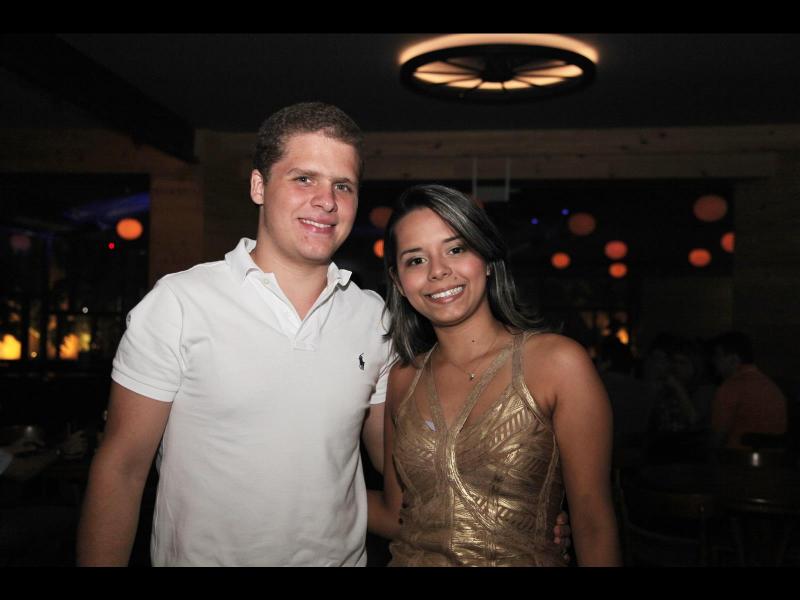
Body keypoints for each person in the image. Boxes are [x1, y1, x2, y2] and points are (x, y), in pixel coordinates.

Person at [76, 103, 569, 567]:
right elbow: (121, 469)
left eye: (343, 185)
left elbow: (411, 468)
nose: (326, 201)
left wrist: (515, 511)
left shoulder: (373, 318)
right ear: (258, 186)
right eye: (304, 178)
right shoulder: (180, 302)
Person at [367, 184, 620, 566]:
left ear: (486, 258)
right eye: (416, 260)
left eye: (456, 249)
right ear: (399, 283)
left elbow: (593, 523)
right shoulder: (403, 377)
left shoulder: (557, 364)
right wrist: (295, 489)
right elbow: (396, 514)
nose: (438, 271)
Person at [710, 331, 788, 449]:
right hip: (775, 457)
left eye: (718, 356)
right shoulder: (771, 386)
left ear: (733, 359)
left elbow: (717, 438)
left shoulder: (730, 388)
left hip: (737, 457)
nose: (714, 361)